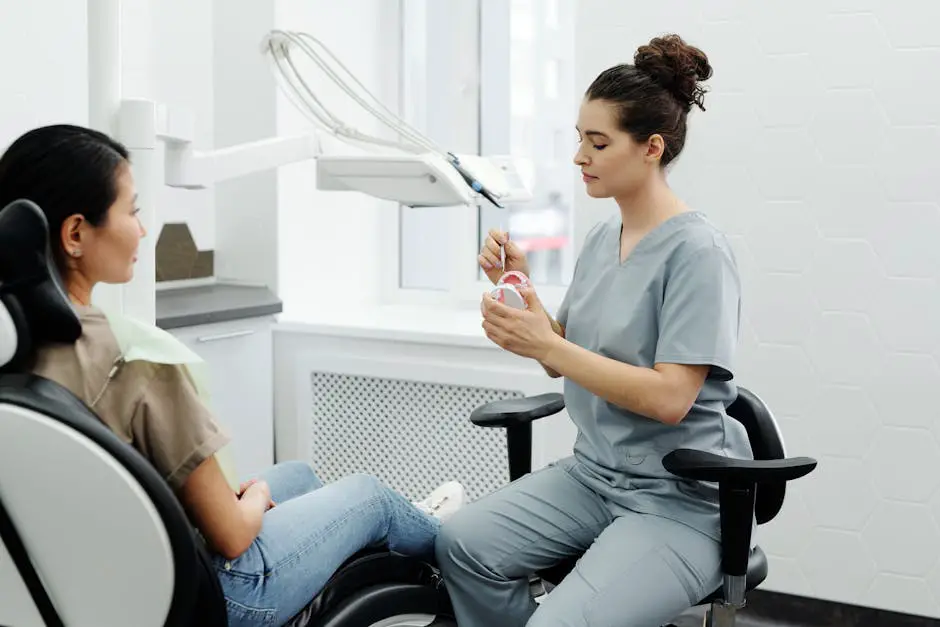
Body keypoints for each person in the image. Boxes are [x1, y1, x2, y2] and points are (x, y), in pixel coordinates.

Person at [0, 123, 466, 627]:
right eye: (132, 210)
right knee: (371, 497)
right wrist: (257, 499)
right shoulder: (137, 360)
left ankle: (412, 522)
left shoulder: (16, 342)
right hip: (216, 594)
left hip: (93, 578)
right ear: (74, 234)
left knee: (300, 476)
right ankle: (454, 545)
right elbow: (232, 537)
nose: (142, 228)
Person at [437, 34, 754, 627]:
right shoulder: (599, 241)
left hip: (677, 501)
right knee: (461, 545)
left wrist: (548, 342)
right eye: (578, 139)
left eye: (598, 142)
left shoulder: (698, 252)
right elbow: (564, 360)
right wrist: (527, 300)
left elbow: (669, 398)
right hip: (592, 476)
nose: (579, 157)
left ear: (651, 148)